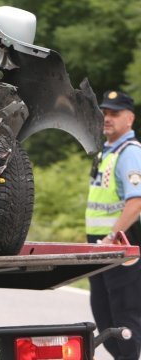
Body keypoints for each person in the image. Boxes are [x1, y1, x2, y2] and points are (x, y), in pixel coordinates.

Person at [87, 90, 141, 360]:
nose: (107, 118)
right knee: (104, 311)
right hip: (101, 246)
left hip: (120, 244)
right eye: (105, 113)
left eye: (114, 114)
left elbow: (136, 201)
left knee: (124, 314)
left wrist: (111, 236)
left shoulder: (130, 153)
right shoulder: (106, 153)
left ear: (129, 119)